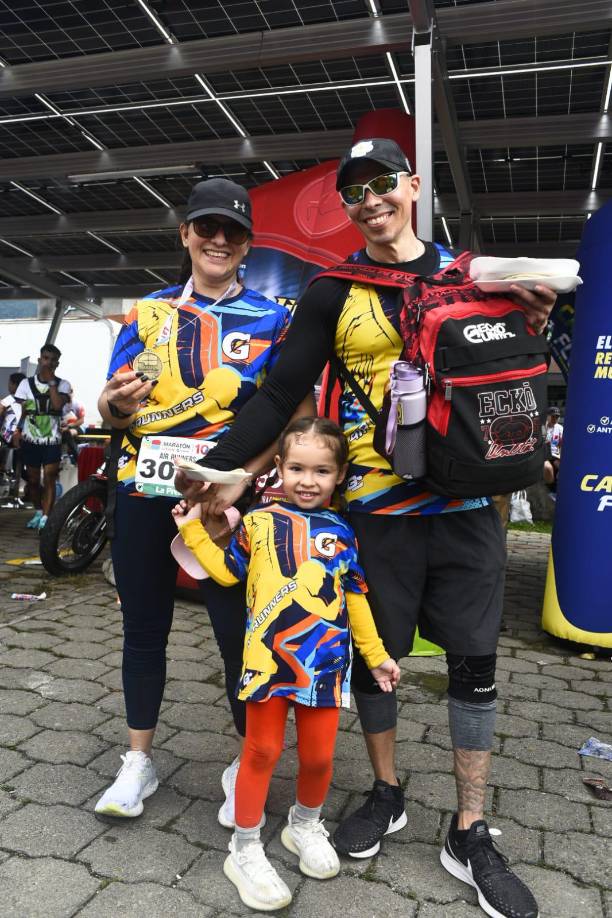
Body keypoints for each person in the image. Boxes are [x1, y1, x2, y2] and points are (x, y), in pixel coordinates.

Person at [176, 140, 557, 918]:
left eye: (383, 182)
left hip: (468, 508)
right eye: (355, 192)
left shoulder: (473, 276)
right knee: (373, 661)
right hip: (377, 515)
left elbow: (518, 367)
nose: (371, 198)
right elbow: (280, 391)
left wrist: (536, 320)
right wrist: (222, 466)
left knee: (474, 665)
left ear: (413, 186)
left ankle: (470, 830)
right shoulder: (333, 291)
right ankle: (387, 793)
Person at [94, 178, 313, 821]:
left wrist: (243, 476)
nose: (219, 240)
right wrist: (113, 405)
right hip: (143, 492)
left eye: (233, 231)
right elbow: (111, 405)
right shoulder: (147, 312)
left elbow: (296, 416)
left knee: (236, 635)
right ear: (185, 234)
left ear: (248, 243)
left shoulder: (276, 319)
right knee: (143, 629)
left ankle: (247, 763)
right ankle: (138, 761)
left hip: (225, 508)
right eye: (207, 227)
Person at [173, 417, 400, 911]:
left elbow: (355, 598)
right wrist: (192, 531)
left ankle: (304, 826)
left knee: (319, 758)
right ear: (278, 467)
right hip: (267, 664)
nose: (307, 480)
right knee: (262, 752)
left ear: (340, 475)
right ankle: (244, 849)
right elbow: (227, 574)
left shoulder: (342, 531)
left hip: (324, 666)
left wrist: (377, 656)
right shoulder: (257, 521)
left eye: (321, 471)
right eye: (297, 468)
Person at [14, 345, 71, 529]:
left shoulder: (63, 385)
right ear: (40, 360)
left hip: (52, 440)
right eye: (46, 358)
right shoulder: (25, 384)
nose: (49, 362)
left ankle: (46, 517)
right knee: (32, 480)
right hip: (31, 439)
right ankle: (38, 511)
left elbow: (57, 405)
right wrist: (17, 430)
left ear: (57, 363)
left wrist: (51, 382)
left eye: (53, 360)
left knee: (49, 477)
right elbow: (23, 411)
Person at [0, 372, 25, 492]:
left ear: (16, 385)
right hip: (21, 437)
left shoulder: (11, 398)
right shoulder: (28, 400)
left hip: (7, 436)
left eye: (10, 383)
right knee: (19, 467)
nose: (8, 385)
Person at [543, 406, 563, 497]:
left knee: (562, 467)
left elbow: (561, 444)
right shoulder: (542, 427)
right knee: (548, 468)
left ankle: (556, 491)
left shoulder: (560, 428)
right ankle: (550, 489)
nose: (555, 418)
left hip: (555, 455)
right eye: (553, 416)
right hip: (543, 454)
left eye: (557, 416)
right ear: (547, 416)